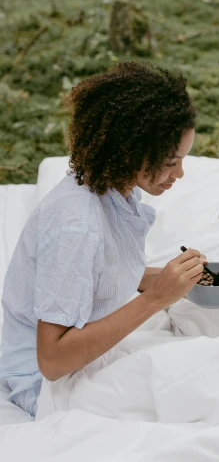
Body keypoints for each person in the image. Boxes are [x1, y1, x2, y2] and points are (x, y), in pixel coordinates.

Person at [0, 62, 206, 417]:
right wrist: (155, 299)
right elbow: (51, 360)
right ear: (129, 149)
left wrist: (161, 279)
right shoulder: (77, 226)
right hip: (44, 385)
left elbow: (93, 272)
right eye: (171, 162)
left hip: (80, 361)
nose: (180, 173)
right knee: (207, 381)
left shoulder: (109, 188)